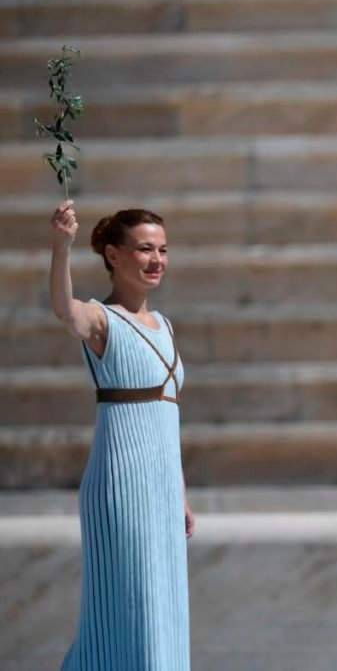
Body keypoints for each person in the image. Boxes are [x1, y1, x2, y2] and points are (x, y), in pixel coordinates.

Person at [50, 201, 192, 670]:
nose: (157, 260)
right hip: (122, 484)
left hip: (162, 485)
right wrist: (62, 246)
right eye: (144, 249)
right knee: (126, 608)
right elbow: (63, 310)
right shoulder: (101, 319)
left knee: (163, 607)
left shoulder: (166, 326)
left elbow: (166, 417)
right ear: (114, 256)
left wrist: (182, 492)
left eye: (163, 250)